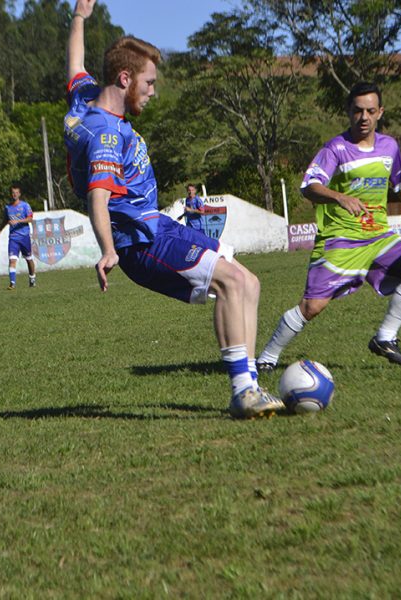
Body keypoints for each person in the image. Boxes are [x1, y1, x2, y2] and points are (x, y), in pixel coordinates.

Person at [64, 0, 284, 419]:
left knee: (249, 283)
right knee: (232, 282)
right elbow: (98, 197)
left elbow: (74, 63)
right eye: (148, 83)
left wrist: (79, 17)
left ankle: (251, 385)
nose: (152, 91)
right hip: (140, 241)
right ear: (125, 78)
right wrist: (108, 249)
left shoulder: (84, 98)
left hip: (157, 225)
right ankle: (243, 391)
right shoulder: (106, 135)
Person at [257, 82, 401, 371]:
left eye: (369, 111)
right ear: (348, 112)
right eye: (357, 111)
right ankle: (267, 357)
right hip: (340, 238)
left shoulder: (389, 146)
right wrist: (340, 197)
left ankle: (385, 338)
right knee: (312, 307)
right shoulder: (336, 149)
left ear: (380, 112)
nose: (363, 117)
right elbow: (309, 186)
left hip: (378, 235)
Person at [0, 184, 36, 290]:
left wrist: (18, 221)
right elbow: (5, 220)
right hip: (13, 238)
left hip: (24, 236)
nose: (14, 195)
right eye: (13, 193)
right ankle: (12, 283)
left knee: (29, 259)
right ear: (10, 194)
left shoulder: (25, 206)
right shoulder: (8, 208)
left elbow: (30, 218)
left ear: (20, 194)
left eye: (16, 193)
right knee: (12, 260)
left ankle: (32, 278)